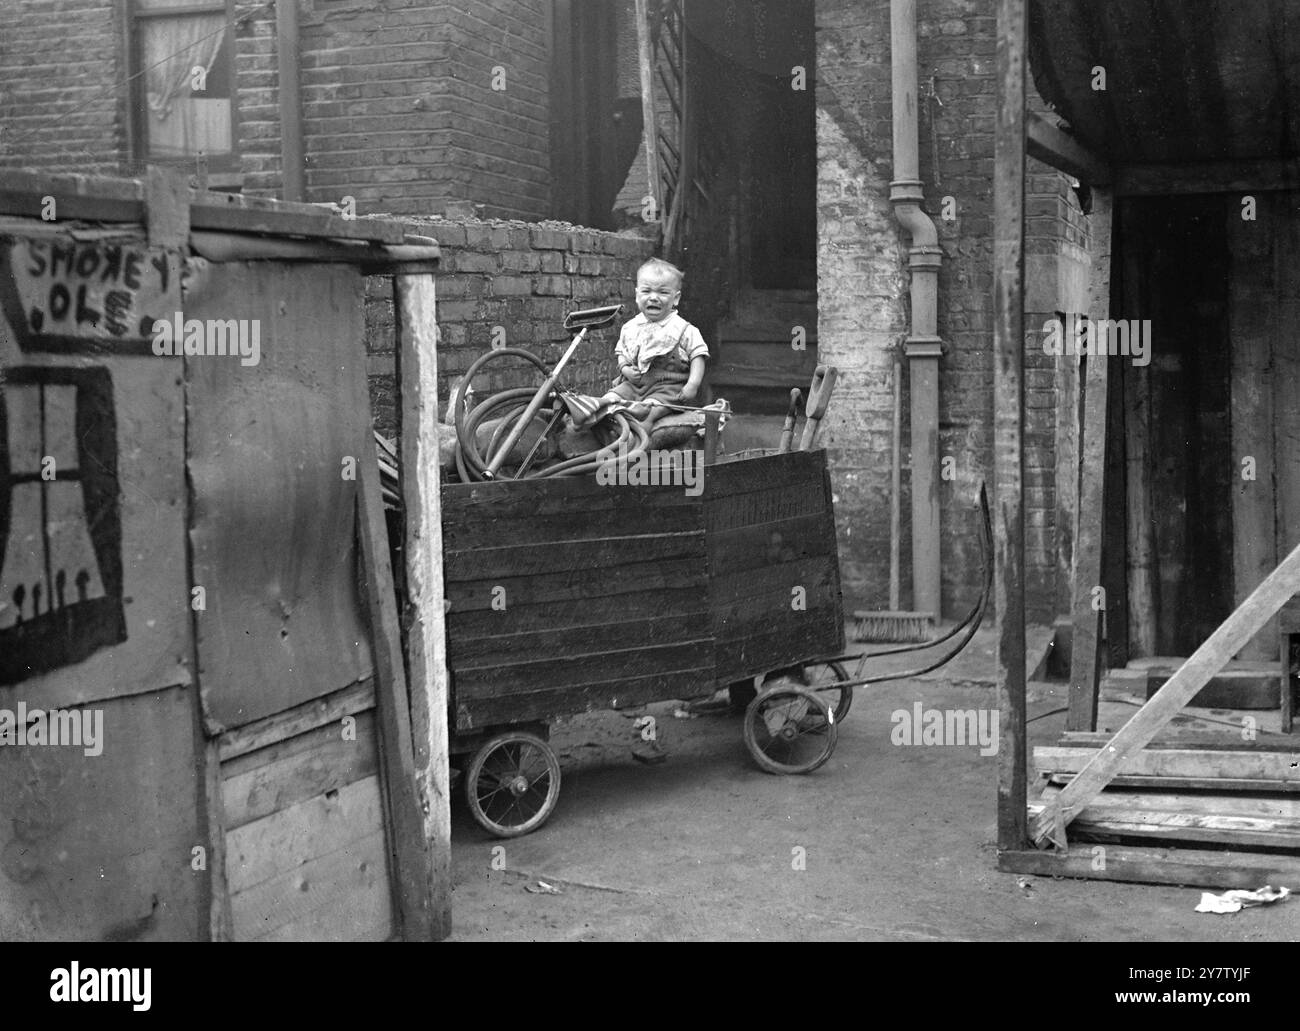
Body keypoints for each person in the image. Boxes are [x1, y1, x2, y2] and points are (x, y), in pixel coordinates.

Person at [602, 258, 709, 428]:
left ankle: (643, 431)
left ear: (676, 298)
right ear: (637, 295)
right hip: (634, 385)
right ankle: (597, 422)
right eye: (646, 291)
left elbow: (698, 356)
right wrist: (625, 369)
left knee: (650, 409)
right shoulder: (630, 327)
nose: (653, 298)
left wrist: (692, 385)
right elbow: (621, 353)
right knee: (609, 399)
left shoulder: (683, 329)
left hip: (666, 388)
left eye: (663, 293)